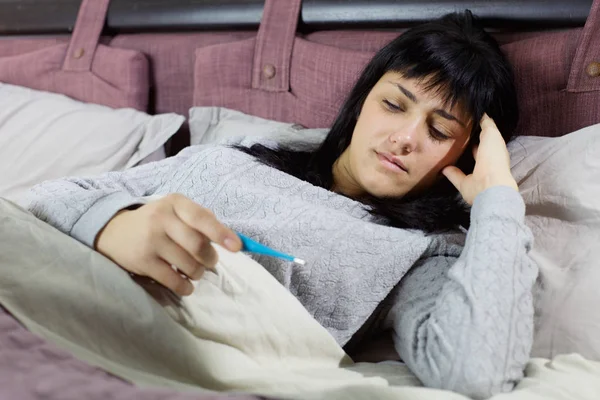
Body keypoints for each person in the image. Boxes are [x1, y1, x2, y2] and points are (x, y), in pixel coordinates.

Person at [25, 10, 537, 400]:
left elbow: (476, 370)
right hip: (68, 291)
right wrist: (113, 225)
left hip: (151, 348)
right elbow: (38, 203)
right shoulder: (229, 159)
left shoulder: (418, 254)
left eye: (439, 130)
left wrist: (497, 199)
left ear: (465, 153)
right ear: (361, 102)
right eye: (394, 104)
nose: (404, 138)